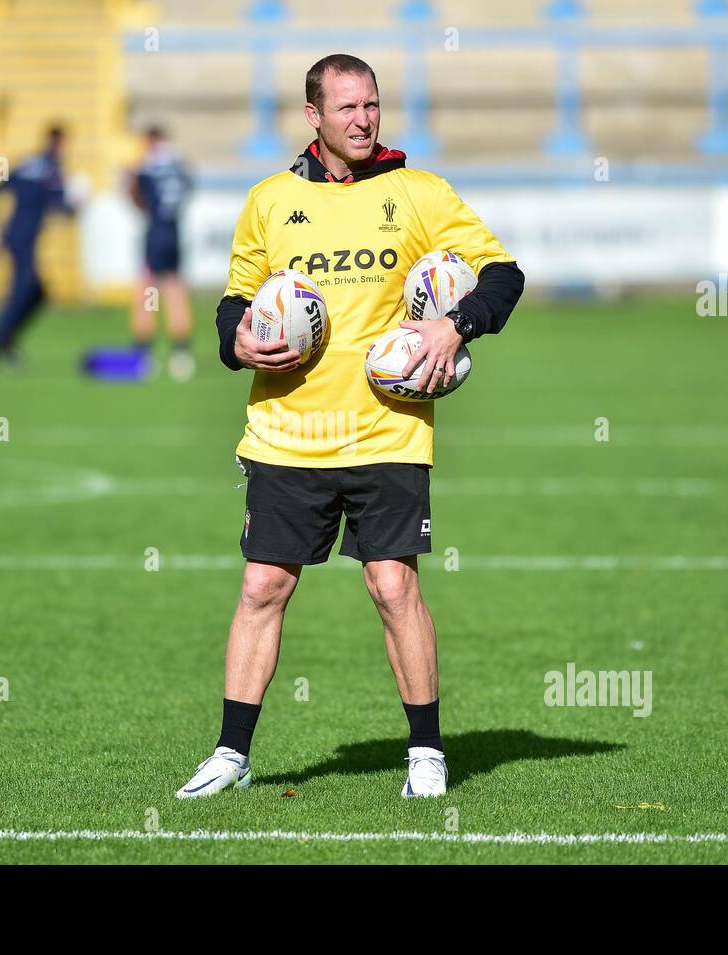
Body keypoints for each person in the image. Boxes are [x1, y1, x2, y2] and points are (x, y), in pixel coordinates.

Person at [176, 54, 525, 799]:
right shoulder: (269, 200)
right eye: (347, 109)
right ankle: (232, 754)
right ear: (313, 116)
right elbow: (236, 301)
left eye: (372, 105)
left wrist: (454, 328)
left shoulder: (419, 192)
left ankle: (426, 753)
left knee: (393, 585)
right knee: (263, 585)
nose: (364, 120)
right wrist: (235, 341)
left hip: (387, 429)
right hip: (285, 430)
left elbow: (502, 273)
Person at [0, 126, 77, 371]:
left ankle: (6, 341)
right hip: (25, 240)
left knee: (37, 293)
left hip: (14, 236)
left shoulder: (26, 163)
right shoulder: (53, 170)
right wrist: (78, 202)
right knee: (22, 291)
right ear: (59, 144)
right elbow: (62, 207)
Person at [130, 126, 196, 381]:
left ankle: (144, 353)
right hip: (174, 232)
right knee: (175, 288)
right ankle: (181, 353)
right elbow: (188, 188)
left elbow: (135, 194)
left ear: (151, 140)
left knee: (146, 290)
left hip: (156, 232)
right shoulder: (179, 165)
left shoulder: (147, 164)